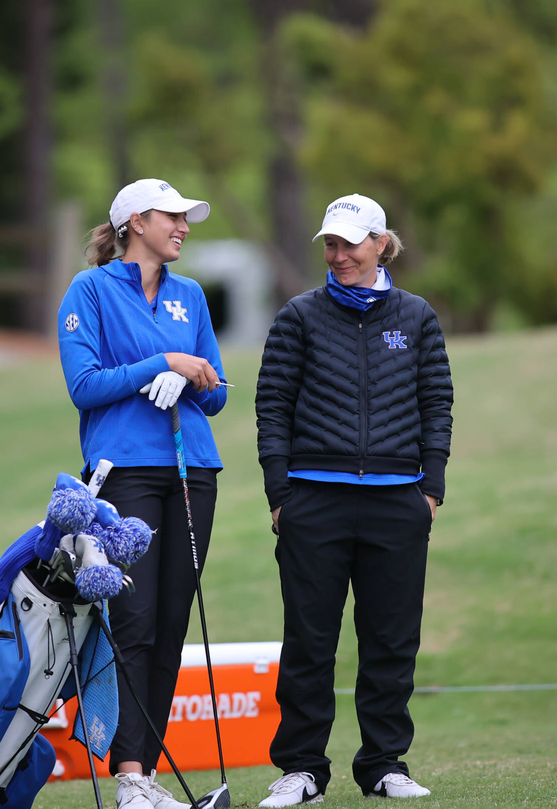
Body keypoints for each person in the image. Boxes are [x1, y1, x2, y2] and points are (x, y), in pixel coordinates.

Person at [255, 194, 453, 804]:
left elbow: (436, 402)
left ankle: (384, 763)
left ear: (379, 244)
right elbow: (273, 407)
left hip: (399, 500)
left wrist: (431, 486)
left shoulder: (415, 316)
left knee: (392, 639)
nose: (339, 256)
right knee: (309, 639)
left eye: (350, 244)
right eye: (331, 245)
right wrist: (280, 492)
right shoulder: (299, 315)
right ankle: (303, 769)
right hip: (314, 500)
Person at [57, 179, 228, 809]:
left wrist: (192, 376)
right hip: (123, 469)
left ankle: (147, 777)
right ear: (134, 221)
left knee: (173, 622)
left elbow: (218, 391)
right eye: (173, 217)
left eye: (187, 219)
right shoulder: (91, 290)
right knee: (134, 621)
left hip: (192, 468)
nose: (183, 227)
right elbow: (85, 385)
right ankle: (131, 777)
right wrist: (162, 365)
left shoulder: (190, 295)